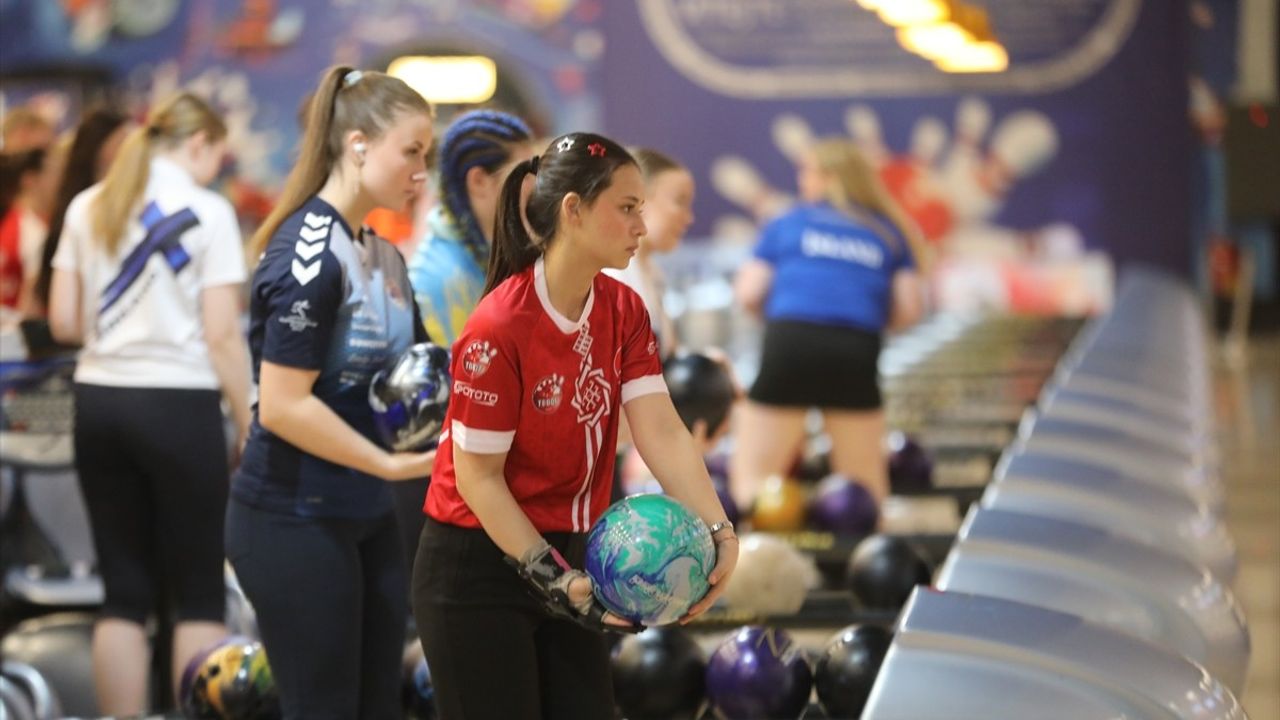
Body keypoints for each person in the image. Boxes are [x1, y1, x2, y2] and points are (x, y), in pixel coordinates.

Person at [412, 132, 739, 720]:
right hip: (479, 564)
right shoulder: (498, 326)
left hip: (577, 552)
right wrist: (550, 578)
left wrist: (719, 531)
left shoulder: (622, 308)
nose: (641, 225)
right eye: (628, 207)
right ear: (574, 210)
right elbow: (479, 479)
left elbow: (660, 431)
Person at [227, 66, 435, 720]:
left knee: (378, 707)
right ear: (357, 145)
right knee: (323, 709)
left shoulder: (385, 256)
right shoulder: (307, 252)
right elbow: (284, 406)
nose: (421, 172)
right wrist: (390, 464)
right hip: (292, 516)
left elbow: (429, 375)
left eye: (426, 155)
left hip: (369, 513)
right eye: (412, 151)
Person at [46, 91, 252, 716]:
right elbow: (221, 334)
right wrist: (251, 419)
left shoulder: (89, 205)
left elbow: (62, 320)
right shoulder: (210, 212)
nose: (218, 168)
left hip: (100, 403)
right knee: (197, 592)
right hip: (179, 406)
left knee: (123, 593)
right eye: (218, 155)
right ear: (198, 144)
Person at [731, 137, 926, 508]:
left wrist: (775, 320)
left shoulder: (788, 222)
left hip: (791, 340)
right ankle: (866, 556)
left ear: (831, 177)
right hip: (856, 345)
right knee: (865, 488)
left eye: (807, 172)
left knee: (753, 485)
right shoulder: (887, 230)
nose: (802, 181)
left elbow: (748, 293)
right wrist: (863, 318)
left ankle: (747, 562)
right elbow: (909, 309)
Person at [33, 108, 131, 315]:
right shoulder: (79, 207)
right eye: (123, 141)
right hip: (86, 325)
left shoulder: (77, 204)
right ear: (101, 147)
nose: (132, 150)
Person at [603, 146, 694, 357]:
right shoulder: (613, 276)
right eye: (680, 202)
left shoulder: (652, 273)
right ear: (639, 198)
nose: (689, 218)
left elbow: (664, 358)